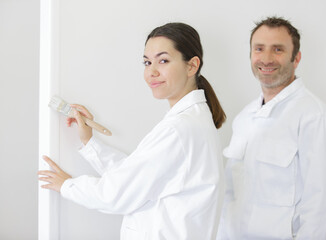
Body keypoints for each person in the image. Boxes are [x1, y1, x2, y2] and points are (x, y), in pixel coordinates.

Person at [38, 22, 226, 240]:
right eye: (147, 62)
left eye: (163, 61)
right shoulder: (193, 122)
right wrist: (90, 143)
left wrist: (67, 186)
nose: (151, 72)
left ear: (192, 66)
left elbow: (116, 194)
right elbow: (137, 175)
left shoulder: (179, 129)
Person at [217, 17, 326, 240]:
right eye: (259, 49)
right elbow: (231, 196)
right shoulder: (244, 117)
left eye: (278, 49)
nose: (266, 59)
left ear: (296, 58)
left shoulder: (315, 117)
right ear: (250, 55)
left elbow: (323, 205)